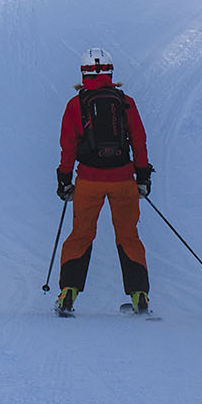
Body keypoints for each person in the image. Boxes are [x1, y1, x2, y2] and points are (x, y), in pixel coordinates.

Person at [54, 47, 153, 315]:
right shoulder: (126, 101)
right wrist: (142, 176)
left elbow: (68, 146)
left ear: (83, 72)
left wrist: (64, 179)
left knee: (81, 235)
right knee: (128, 235)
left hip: (89, 181)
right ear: (110, 71)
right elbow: (139, 142)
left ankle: (68, 293)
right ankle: (139, 296)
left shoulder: (76, 105)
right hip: (123, 180)